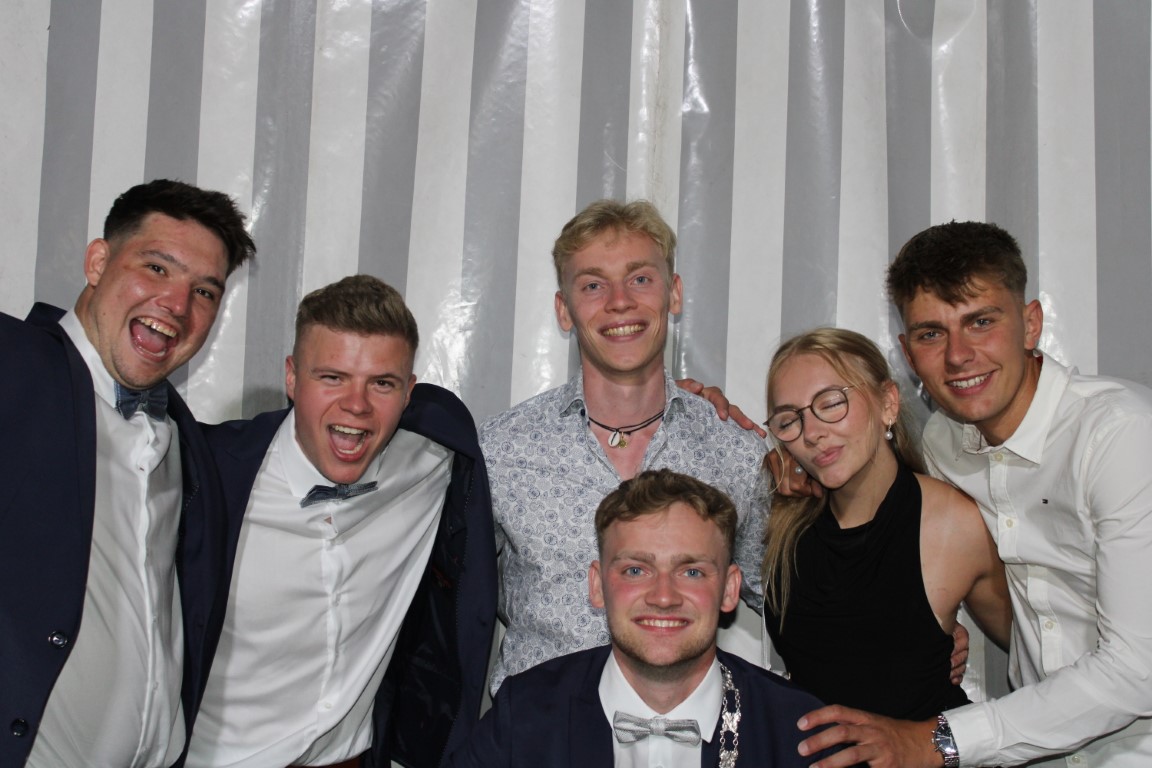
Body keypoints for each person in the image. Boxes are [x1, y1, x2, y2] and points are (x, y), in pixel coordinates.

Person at [796, 221, 1152, 767]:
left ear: (1030, 324)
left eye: (981, 321)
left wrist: (938, 740)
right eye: (931, 334)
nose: (958, 356)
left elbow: (1137, 669)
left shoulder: (1118, 435)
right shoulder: (945, 443)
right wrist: (798, 462)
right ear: (907, 352)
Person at [185, 275, 496, 768]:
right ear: (292, 378)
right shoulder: (208, 478)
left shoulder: (436, 458)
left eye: (382, 383)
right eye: (332, 377)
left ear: (409, 392)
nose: (357, 404)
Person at [0, 179, 255, 767]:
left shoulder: (188, 442)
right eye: (157, 268)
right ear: (98, 262)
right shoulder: (14, 366)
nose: (178, 304)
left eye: (205, 291)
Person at [481, 200, 768, 694]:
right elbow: (453, 604)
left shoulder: (735, 451)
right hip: (536, 727)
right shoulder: (500, 451)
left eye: (640, 279)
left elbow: (792, 605)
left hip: (684, 727)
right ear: (564, 310)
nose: (619, 302)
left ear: (674, 293)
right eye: (593, 285)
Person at [449, 469, 835, 767]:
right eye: (635, 570)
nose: (663, 597)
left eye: (691, 571)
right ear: (598, 586)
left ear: (730, 589)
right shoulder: (524, 716)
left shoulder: (799, 731)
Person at [762, 328, 1010, 721]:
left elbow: (1034, 645)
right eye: (789, 420)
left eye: (831, 403)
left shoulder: (953, 523)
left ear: (888, 404)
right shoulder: (783, 521)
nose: (812, 433)